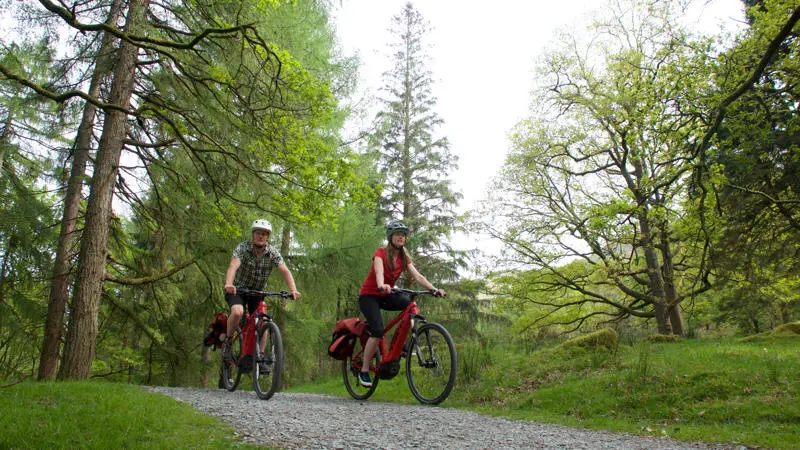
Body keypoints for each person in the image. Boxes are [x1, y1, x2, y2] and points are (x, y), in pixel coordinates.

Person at [357, 220, 445, 387]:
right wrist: (382, 284)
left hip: (387, 294)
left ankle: (401, 345)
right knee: (377, 331)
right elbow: (379, 271)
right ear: (391, 237)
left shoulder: (404, 257)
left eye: (403, 235)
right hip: (370, 295)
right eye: (398, 234)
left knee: (408, 304)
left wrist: (434, 289)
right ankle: (364, 370)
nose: (401, 237)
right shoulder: (381, 253)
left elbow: (418, 276)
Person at [222, 219, 301, 363]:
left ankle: (260, 356)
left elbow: (285, 270)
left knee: (263, 321)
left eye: (264, 234)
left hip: (257, 293)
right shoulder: (243, 248)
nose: (261, 236)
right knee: (238, 312)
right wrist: (228, 284)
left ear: (267, 237)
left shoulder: (272, 252)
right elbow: (233, 266)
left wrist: (293, 290)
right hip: (238, 290)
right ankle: (228, 342)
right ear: (253, 234)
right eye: (258, 233)